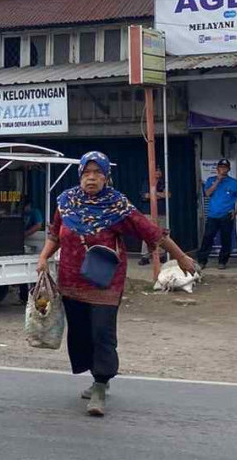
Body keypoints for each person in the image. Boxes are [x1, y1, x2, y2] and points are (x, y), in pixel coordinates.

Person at [37, 151, 195, 417]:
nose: (92, 178)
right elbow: (55, 234)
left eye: (98, 173)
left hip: (105, 282)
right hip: (71, 279)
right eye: (87, 173)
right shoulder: (65, 202)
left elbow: (151, 231)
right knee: (81, 333)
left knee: (102, 333)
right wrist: (43, 257)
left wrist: (180, 256)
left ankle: (100, 383)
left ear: (107, 177)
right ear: (80, 176)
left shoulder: (118, 206)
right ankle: (97, 375)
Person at [197, 159, 237, 270]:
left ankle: (222, 262)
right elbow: (208, 193)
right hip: (213, 215)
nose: (223, 169)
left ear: (228, 169)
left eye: (225, 167)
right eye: (221, 167)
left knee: (226, 239)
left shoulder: (234, 182)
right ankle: (202, 261)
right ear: (217, 169)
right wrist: (217, 181)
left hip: (227, 215)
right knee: (207, 237)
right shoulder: (210, 180)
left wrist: (235, 211)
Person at [138, 166, 169, 265]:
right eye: (156, 171)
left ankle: (161, 254)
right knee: (147, 233)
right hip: (148, 212)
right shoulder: (147, 182)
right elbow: (145, 195)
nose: (158, 173)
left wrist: (154, 194)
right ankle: (145, 256)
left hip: (161, 212)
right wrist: (160, 194)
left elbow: (168, 195)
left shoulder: (164, 182)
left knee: (162, 234)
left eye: (159, 170)